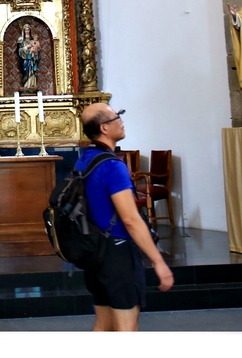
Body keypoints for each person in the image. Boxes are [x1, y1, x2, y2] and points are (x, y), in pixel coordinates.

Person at [77, 102, 174, 331]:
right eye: (116, 117)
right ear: (104, 128)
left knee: (104, 326)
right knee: (126, 329)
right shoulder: (112, 166)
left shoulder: (85, 159)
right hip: (117, 254)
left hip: (95, 251)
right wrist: (158, 261)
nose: (121, 120)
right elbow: (130, 219)